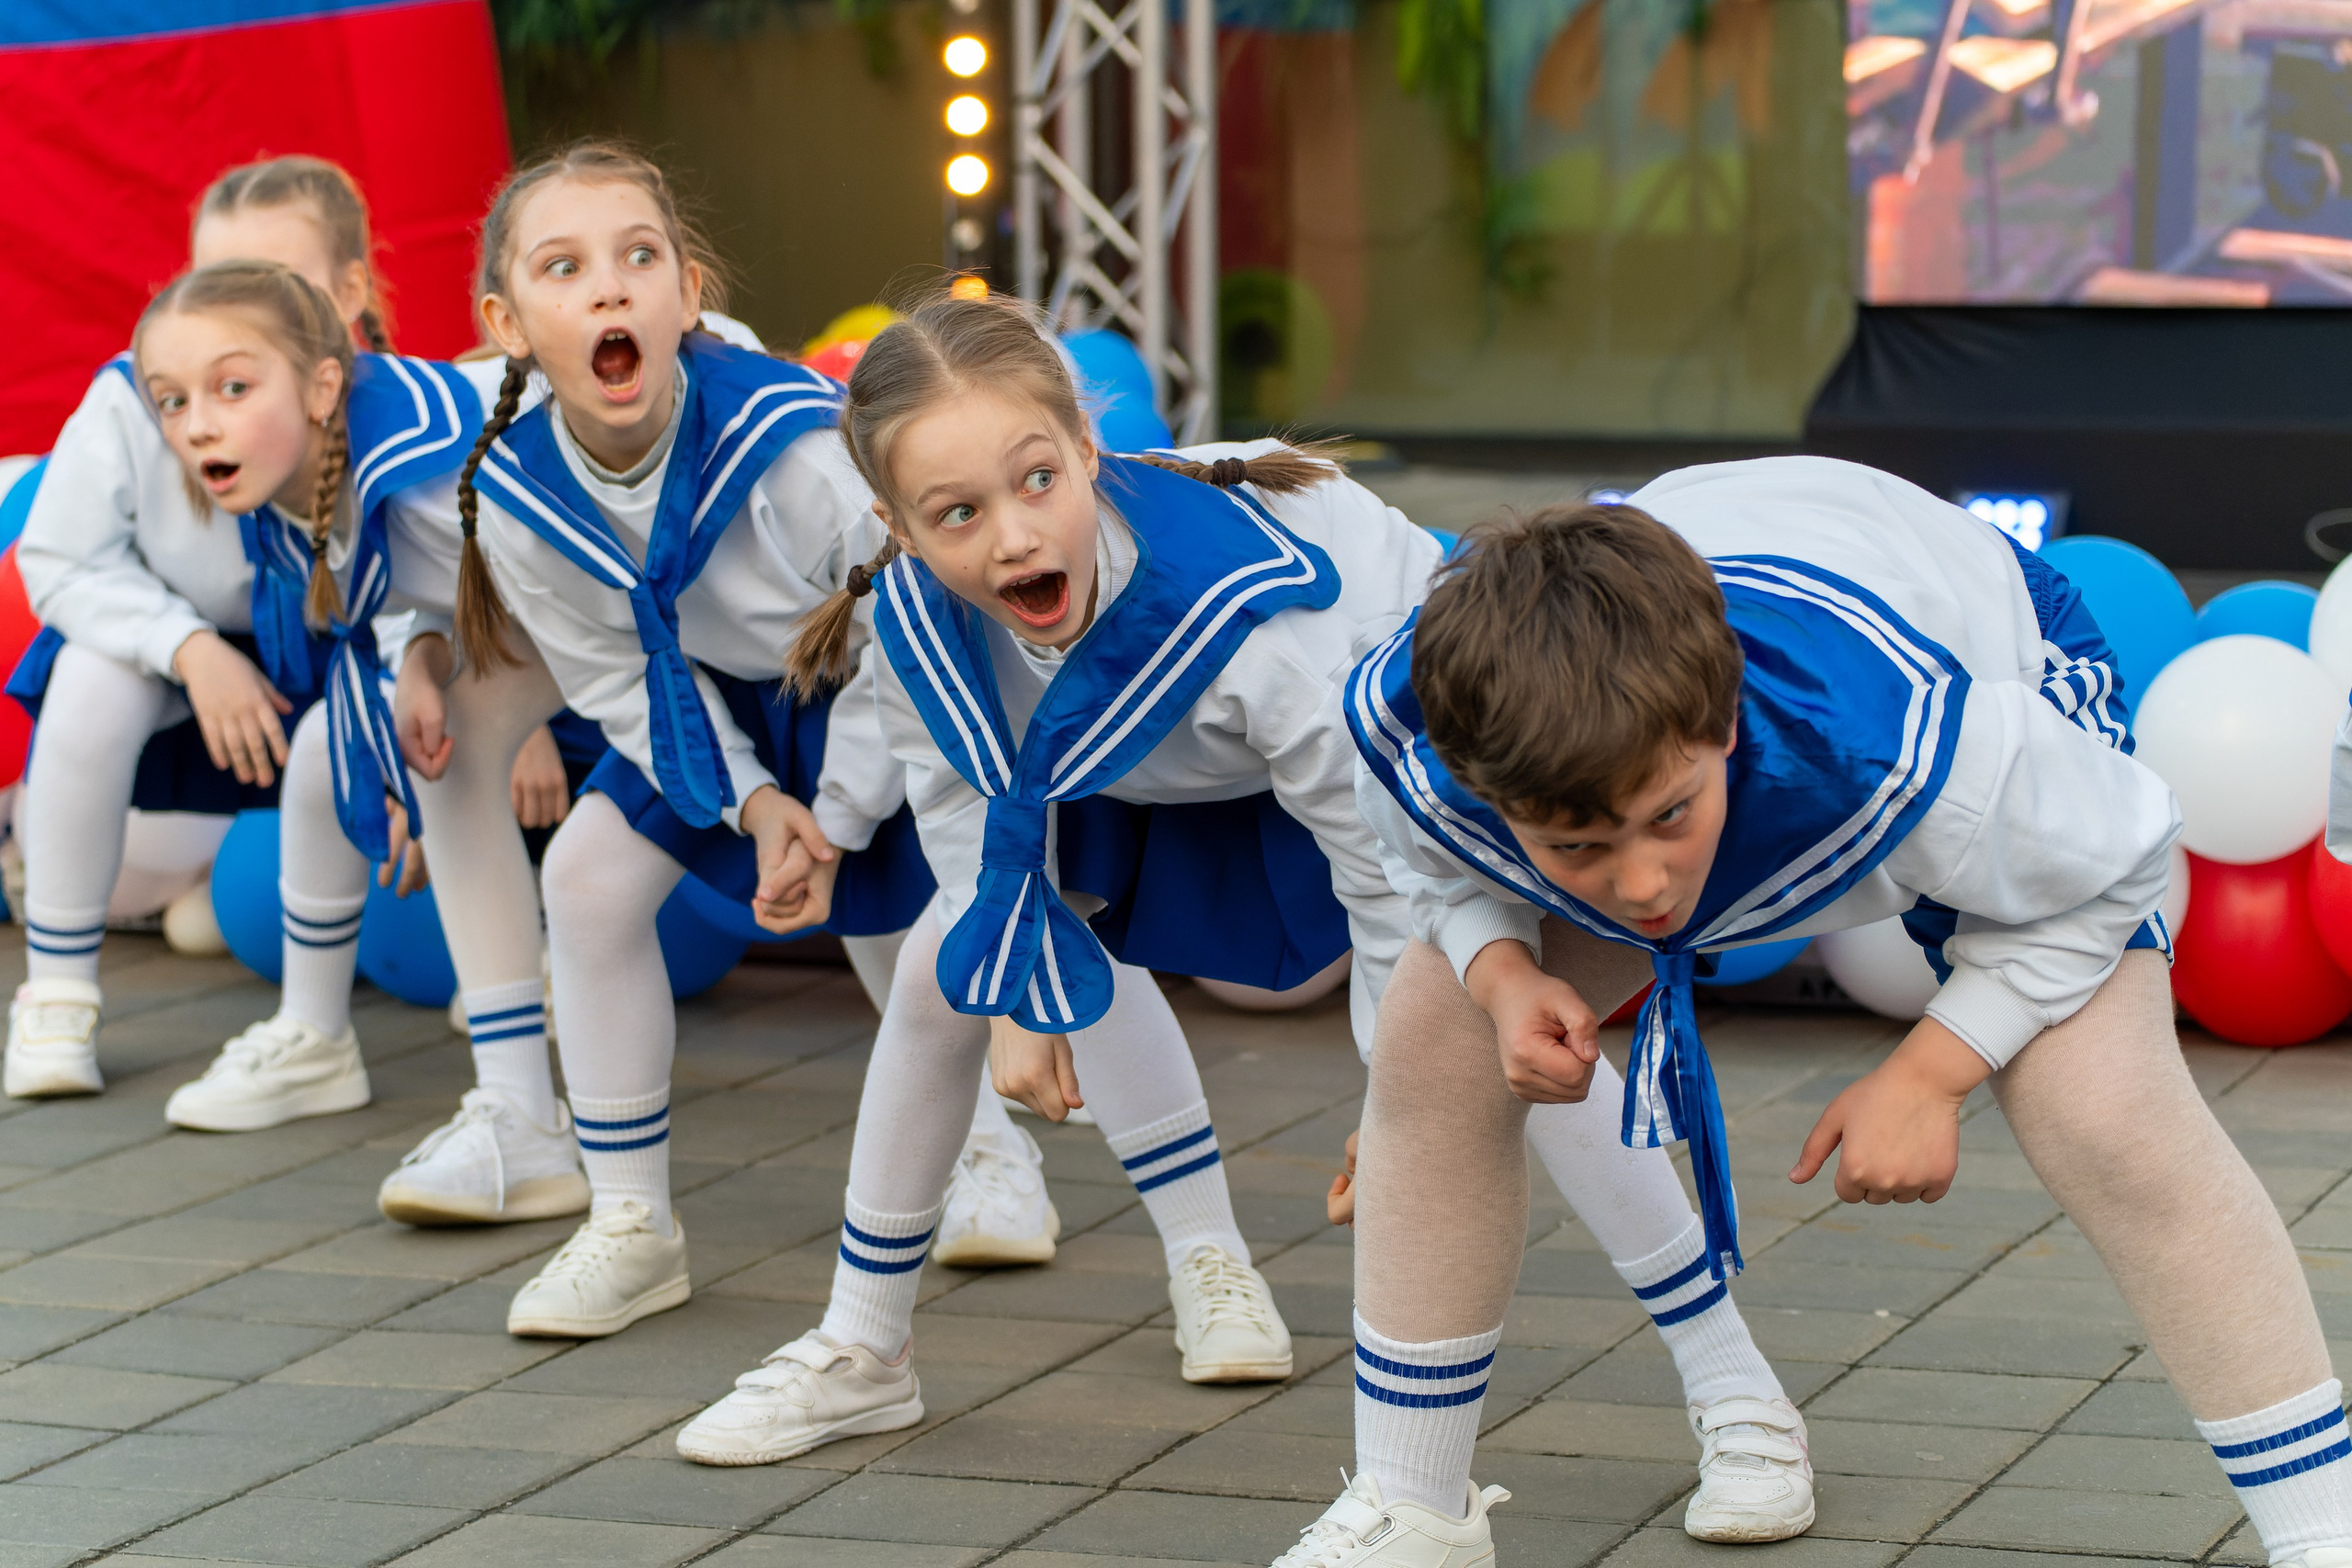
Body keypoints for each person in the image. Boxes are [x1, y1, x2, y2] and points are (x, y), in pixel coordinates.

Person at [686, 295, 1803, 1520]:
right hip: (1148, 753)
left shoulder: (1269, 627)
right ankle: (864, 1350)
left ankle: (1737, 1388)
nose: (1012, 536)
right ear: (895, 524)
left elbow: (1386, 895)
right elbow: (966, 814)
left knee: (1493, 1039)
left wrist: (1402, 1108)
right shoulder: (911, 616)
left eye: (1037, 480)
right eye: (957, 513)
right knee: (937, 968)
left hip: (1377, 723)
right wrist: (1013, 988)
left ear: (1087, 451)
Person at [1337, 455, 2352, 1567]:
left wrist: (1933, 1070)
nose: (1640, 888)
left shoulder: (1909, 740)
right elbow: (1426, 863)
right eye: (1577, 846)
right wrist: (1499, 970)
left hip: (1975, 641)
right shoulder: (1422, 729)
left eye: (1668, 818)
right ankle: (1414, 1511)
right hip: (1718, 617)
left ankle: (2326, 1535)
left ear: (1723, 726)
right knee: (1437, 1040)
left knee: (2103, 1108)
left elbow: (2120, 858)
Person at [448, 142, 1085, 1338]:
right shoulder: (515, 493)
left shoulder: (792, 443)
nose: (609, 288)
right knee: (583, 877)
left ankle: (994, 1157)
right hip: (708, 709)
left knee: (891, 927)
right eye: (565, 265)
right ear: (508, 321)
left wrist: (833, 814)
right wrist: (749, 804)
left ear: (690, 294)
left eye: (640, 257)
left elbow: (908, 634)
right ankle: (632, 1220)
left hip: (872, 686)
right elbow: (619, 679)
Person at [1, 157, 581, 1121]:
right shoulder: (141, 401)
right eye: (209, 285)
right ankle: (58, 994)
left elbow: (444, 587)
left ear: (347, 296)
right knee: (94, 671)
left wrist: (463, 696)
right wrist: (185, 646)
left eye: (272, 284)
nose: (233, 315)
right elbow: (58, 559)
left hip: (384, 662)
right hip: (210, 665)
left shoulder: (406, 431)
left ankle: (515, 988)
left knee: (397, 747)